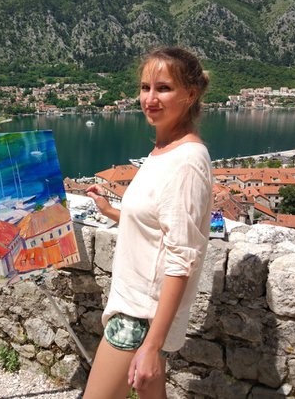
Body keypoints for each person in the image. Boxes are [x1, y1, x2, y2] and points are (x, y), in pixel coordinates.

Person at [83, 47, 213, 399]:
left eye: (163, 88)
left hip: (139, 317)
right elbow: (156, 224)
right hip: (139, 310)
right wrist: (108, 210)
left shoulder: (186, 161)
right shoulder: (162, 151)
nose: (150, 98)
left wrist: (152, 346)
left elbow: (181, 257)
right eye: (145, 88)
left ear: (191, 93)